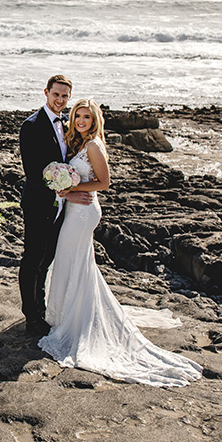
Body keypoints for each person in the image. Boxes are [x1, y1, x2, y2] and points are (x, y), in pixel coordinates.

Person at [38, 98, 203, 387]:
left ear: (94, 120)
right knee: (72, 259)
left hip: (84, 211)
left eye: (86, 117)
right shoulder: (78, 143)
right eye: (78, 116)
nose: (80, 120)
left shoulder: (93, 146)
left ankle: (75, 320)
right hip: (74, 209)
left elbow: (103, 183)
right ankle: (66, 313)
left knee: (73, 258)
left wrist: (70, 187)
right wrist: (65, 189)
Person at [18, 75, 91, 337]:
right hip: (38, 202)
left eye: (64, 96)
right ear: (46, 93)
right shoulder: (32, 125)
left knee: (47, 259)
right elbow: (33, 172)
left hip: (60, 206)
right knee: (32, 258)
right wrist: (67, 193)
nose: (60, 100)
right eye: (56, 94)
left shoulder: (69, 125)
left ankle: (41, 307)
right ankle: (31, 317)